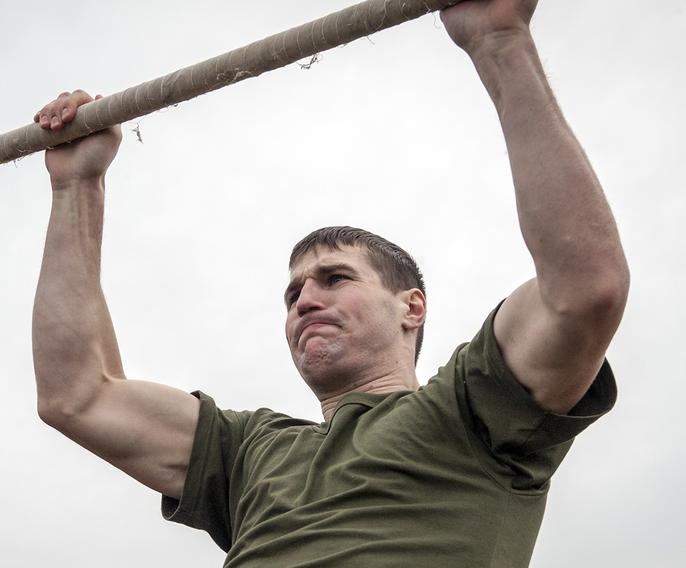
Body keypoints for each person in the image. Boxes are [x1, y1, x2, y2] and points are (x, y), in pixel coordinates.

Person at [30, 0, 628, 565]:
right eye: (292, 296)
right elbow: (78, 396)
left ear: (411, 306)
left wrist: (500, 41)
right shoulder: (250, 452)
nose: (304, 301)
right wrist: (75, 188)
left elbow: (583, 288)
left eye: (333, 278)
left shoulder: (470, 411)